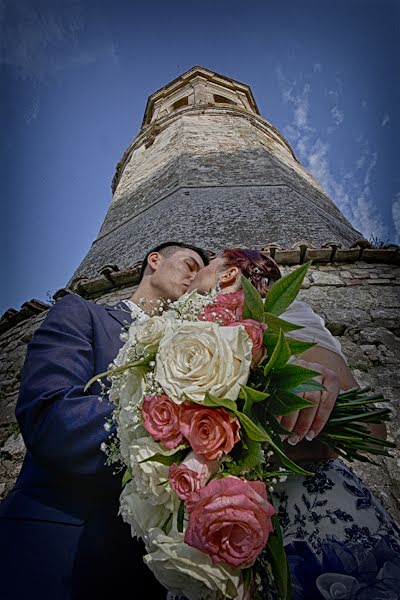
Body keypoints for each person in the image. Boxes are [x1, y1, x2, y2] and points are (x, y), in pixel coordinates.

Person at [187, 248, 400, 600]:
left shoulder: (283, 315)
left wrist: (306, 389)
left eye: (206, 265)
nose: (193, 274)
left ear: (228, 276)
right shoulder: (179, 340)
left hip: (310, 522)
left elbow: (371, 431)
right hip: (216, 542)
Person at [0, 242, 209, 600]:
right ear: (154, 261)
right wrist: (178, 424)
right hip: (56, 552)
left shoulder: (201, 351)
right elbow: (52, 418)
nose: (196, 276)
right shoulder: (82, 314)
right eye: (190, 264)